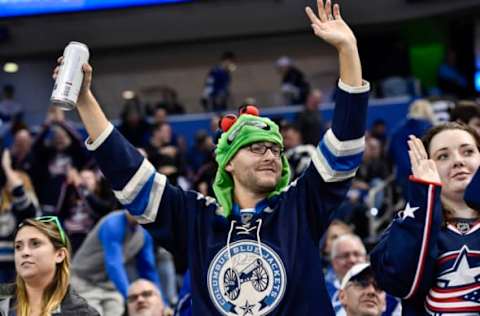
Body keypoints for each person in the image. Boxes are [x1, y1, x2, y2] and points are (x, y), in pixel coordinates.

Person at [54, 0, 370, 314]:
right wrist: (84, 101)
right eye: (256, 148)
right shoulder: (196, 219)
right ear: (228, 161)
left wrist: (348, 50)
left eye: (275, 149)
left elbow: (344, 144)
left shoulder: (299, 208)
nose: (271, 155)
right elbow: (129, 173)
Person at [371, 122, 480, 314]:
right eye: (443, 156)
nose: (457, 161)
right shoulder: (407, 225)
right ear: (426, 166)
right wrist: (423, 198)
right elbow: (401, 283)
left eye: (468, 152)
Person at [0, 216, 99, 315]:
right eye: (18, 247)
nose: (24, 252)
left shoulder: (82, 313)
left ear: (60, 255)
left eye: (35, 243)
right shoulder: (3, 301)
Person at [71, 210, 161, 316]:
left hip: (109, 284)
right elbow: (113, 264)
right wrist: (131, 295)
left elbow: (148, 269)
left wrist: (161, 301)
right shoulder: (113, 223)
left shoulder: (144, 233)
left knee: (116, 311)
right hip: (84, 281)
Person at [0, 150, 39, 283]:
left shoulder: (29, 208)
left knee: (10, 301)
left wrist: (7, 167)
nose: (10, 182)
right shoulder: (3, 202)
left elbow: (18, 190)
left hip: (16, 266)